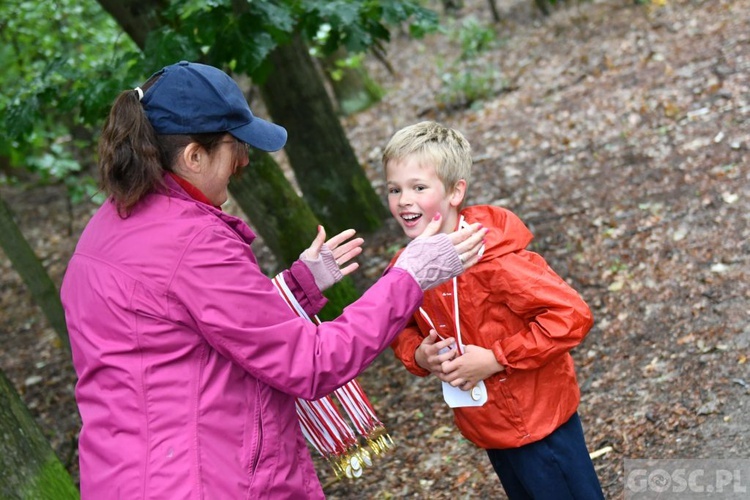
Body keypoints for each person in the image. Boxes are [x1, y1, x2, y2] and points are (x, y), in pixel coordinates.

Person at [60, 62, 487, 499]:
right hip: (208, 481)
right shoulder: (192, 243)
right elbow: (311, 363)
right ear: (193, 156)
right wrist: (408, 277)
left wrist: (300, 285)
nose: (244, 160)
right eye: (235, 146)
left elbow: (197, 331)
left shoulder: (105, 230)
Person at [383, 121, 604, 499]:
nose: (404, 199)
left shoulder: (494, 260)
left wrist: (496, 358)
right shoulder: (407, 267)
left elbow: (571, 316)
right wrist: (420, 354)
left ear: (455, 192)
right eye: (394, 189)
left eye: (419, 187)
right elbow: (396, 326)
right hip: (490, 426)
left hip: (542, 424)